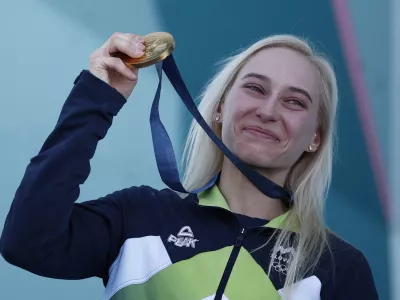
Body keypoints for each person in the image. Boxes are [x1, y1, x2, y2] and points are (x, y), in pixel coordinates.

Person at [0, 32, 379, 300]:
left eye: (294, 102)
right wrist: (97, 98)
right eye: (255, 88)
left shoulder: (337, 267)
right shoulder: (140, 217)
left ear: (315, 136)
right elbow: (27, 243)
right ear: (219, 107)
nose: (267, 111)